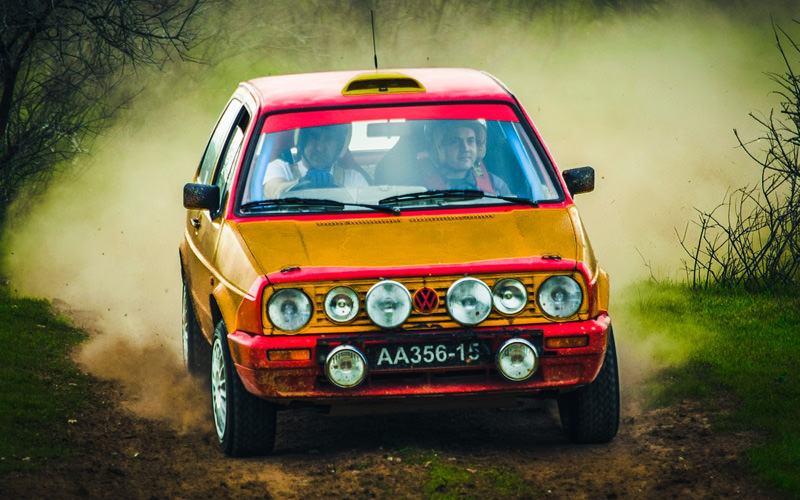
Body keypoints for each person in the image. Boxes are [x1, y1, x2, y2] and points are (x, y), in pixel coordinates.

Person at [263, 123, 369, 197]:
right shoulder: (280, 169)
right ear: (302, 140)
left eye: (328, 139)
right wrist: (301, 185)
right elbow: (274, 190)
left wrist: (339, 191)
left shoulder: (354, 179)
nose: (320, 148)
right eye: (314, 136)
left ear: (339, 146)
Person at [423, 120, 511, 195]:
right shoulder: (422, 189)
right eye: (455, 142)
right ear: (439, 148)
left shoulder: (496, 186)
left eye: (470, 141)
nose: (466, 149)